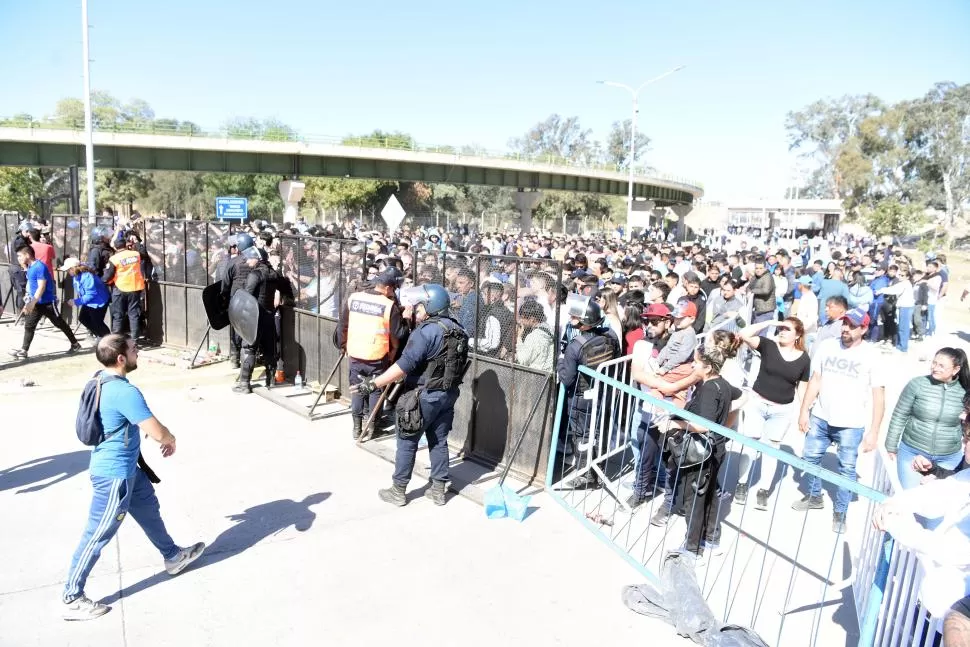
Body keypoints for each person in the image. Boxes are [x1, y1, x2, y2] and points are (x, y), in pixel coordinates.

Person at [61, 334, 205, 621]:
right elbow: (156, 430)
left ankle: (173, 556)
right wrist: (169, 438)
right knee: (97, 534)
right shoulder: (125, 392)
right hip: (113, 476)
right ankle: (72, 597)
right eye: (133, 348)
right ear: (121, 358)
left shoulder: (98, 379)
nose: (137, 350)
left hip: (128, 472)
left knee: (148, 508)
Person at [356, 284, 469, 507]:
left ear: (431, 306)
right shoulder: (458, 329)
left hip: (421, 395)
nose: (415, 311)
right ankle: (438, 490)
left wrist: (373, 384)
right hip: (447, 395)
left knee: (407, 441)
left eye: (419, 308)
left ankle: (398, 490)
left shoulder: (426, 332)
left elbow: (404, 365)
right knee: (439, 441)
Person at [795, 307, 885, 533]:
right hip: (821, 416)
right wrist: (804, 410)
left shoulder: (872, 355)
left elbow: (878, 395)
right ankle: (815, 496)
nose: (845, 328)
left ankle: (841, 511)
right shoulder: (827, 346)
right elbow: (816, 380)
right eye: (844, 323)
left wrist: (874, 431)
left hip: (850, 423)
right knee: (809, 458)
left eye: (852, 326)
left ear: (864, 329)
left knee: (846, 469)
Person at [667, 340, 744, 564]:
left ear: (708, 367)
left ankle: (692, 549)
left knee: (695, 499)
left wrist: (675, 424)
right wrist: (727, 423)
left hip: (702, 451)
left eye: (696, 362)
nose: (692, 366)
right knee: (708, 495)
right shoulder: (722, 383)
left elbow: (703, 425)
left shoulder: (710, 389)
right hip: (716, 448)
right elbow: (743, 396)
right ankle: (711, 541)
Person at [735, 317, 810, 510]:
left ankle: (763, 490)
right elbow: (744, 334)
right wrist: (770, 323)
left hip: (782, 410)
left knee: (771, 449)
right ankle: (742, 484)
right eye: (781, 328)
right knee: (750, 445)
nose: (783, 331)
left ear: (798, 335)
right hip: (758, 403)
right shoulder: (768, 345)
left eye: (787, 329)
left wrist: (805, 412)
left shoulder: (804, 359)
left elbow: (802, 388)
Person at [556, 297, 621, 489]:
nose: (571, 318)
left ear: (583, 321)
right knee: (599, 432)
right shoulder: (611, 335)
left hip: (581, 398)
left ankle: (586, 475)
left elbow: (567, 378)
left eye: (575, 317)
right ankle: (598, 470)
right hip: (605, 394)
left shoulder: (575, 345)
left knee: (582, 436)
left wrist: (560, 361)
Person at [885, 347, 969, 489]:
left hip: (949, 457)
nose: (935, 368)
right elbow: (900, 414)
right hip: (912, 453)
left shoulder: (964, 392)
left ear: (955, 370)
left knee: (941, 502)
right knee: (914, 497)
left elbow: (966, 425)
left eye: (941, 365)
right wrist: (891, 444)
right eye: (934, 363)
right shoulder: (917, 384)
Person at [338, 269, 404, 438]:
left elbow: (343, 325)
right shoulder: (389, 306)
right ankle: (371, 427)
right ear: (388, 288)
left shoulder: (354, 298)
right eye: (394, 289)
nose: (394, 292)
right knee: (375, 389)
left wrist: (343, 346)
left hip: (355, 354)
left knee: (356, 389)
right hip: (377, 356)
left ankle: (357, 427)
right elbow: (398, 334)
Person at [8, 245, 81, 359]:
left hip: (47, 303)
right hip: (36, 303)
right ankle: (24, 350)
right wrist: (29, 301)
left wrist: (32, 303)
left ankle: (75, 344)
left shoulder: (39, 267)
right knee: (29, 325)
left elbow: (41, 287)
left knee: (59, 323)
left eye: (20, 256)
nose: (18, 258)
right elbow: (31, 285)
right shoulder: (30, 267)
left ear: (27, 255)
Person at [233, 247, 290, 394]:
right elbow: (286, 288)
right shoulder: (274, 274)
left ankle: (244, 384)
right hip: (269, 317)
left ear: (257, 259)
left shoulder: (255, 274)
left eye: (250, 258)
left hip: (255, 318)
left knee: (249, 348)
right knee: (270, 351)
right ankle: (270, 382)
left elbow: (247, 296)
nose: (246, 260)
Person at [220, 233, 256, 369]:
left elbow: (225, 284)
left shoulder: (233, 262)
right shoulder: (258, 261)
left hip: (236, 302)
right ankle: (247, 360)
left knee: (236, 330)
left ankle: (235, 358)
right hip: (253, 303)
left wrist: (224, 298)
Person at [103, 234, 147, 342]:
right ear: (126, 245)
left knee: (118, 314)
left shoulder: (114, 258)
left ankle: (116, 339)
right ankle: (135, 339)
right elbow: (144, 254)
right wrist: (136, 242)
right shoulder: (136, 254)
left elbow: (108, 276)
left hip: (120, 288)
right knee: (134, 314)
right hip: (135, 287)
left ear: (116, 247)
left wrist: (104, 281)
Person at [62, 258, 111, 340]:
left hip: (98, 302)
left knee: (97, 322)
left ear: (72, 269)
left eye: (68, 270)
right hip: (89, 301)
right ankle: (100, 336)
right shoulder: (76, 275)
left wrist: (76, 302)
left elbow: (91, 294)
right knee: (83, 318)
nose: (67, 272)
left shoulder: (87, 276)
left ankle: (109, 340)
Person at [515, 299, 555, 372]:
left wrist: (519, 338)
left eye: (523, 318)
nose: (521, 321)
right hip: (546, 376)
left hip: (534, 377)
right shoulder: (549, 331)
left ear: (532, 319)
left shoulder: (534, 337)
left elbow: (522, 360)